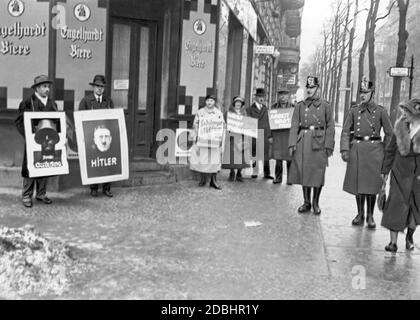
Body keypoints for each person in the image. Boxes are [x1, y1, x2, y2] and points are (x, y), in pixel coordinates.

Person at [340, 80, 393, 229]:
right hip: (357, 149)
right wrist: (344, 149)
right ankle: (360, 214)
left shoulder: (381, 111)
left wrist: (387, 153)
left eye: (366, 93)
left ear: (373, 94)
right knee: (359, 184)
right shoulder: (354, 111)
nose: (362, 95)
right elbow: (345, 131)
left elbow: (389, 134)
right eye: (361, 93)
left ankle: (370, 216)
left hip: (375, 151)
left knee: (371, 186)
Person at [288, 76, 335, 215]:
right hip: (303, 141)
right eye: (308, 88)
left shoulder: (325, 106)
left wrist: (329, 145)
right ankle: (306, 202)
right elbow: (294, 125)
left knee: (318, 172)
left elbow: (330, 127)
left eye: (312, 88)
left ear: (318, 89)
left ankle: (315, 202)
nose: (309, 90)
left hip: (319, 142)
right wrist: (292, 143)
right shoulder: (300, 106)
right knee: (305, 171)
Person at [381, 99, 420, 253]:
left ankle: (409, 237)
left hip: (417, 176)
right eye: (404, 111)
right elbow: (390, 150)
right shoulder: (400, 126)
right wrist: (384, 171)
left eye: (408, 112)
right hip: (399, 173)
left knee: (415, 209)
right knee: (395, 206)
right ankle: (393, 242)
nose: (405, 114)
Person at [15, 75, 58, 208]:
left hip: (48, 142)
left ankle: (41, 193)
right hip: (33, 141)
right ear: (37, 88)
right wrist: (29, 137)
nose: (47, 89)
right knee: (30, 167)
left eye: (48, 87)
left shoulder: (52, 104)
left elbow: (57, 122)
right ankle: (27, 195)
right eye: (44, 87)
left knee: (44, 165)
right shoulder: (28, 102)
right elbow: (19, 122)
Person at [79, 75, 115, 198]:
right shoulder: (86, 101)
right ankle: (93, 188)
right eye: (97, 86)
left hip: (105, 137)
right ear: (93, 87)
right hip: (92, 138)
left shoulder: (108, 101)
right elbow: (80, 119)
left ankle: (107, 188)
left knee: (106, 162)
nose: (99, 89)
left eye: (102, 87)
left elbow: (112, 119)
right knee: (94, 162)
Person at [190, 94, 226, 190]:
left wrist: (221, 137)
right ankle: (203, 179)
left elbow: (222, 125)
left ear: (215, 102)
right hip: (203, 140)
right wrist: (196, 136)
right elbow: (195, 124)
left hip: (214, 140)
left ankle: (213, 180)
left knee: (214, 160)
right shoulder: (200, 112)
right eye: (208, 100)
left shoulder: (218, 113)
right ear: (205, 101)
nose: (209, 102)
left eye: (212, 101)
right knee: (202, 159)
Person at [222, 96, 250, 182]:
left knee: (241, 155)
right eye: (237, 102)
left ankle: (239, 173)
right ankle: (232, 172)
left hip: (242, 136)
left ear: (242, 104)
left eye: (240, 103)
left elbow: (247, 123)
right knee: (232, 155)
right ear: (234, 103)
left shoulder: (244, 113)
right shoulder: (228, 113)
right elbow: (224, 122)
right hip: (232, 136)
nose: (238, 104)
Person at [247, 88, 273, 179]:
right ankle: (255, 171)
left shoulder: (266, 109)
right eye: (259, 97)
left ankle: (267, 173)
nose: (262, 98)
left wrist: (270, 135)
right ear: (256, 98)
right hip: (254, 133)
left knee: (265, 154)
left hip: (264, 134)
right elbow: (248, 122)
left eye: (263, 97)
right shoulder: (250, 109)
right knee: (254, 153)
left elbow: (268, 122)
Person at [271, 88, 294, 185]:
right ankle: (278, 177)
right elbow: (270, 122)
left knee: (290, 158)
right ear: (278, 96)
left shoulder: (293, 107)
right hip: (278, 136)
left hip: (288, 135)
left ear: (288, 96)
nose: (283, 97)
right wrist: (270, 136)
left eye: (285, 95)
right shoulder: (274, 107)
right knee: (278, 158)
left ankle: (290, 178)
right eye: (281, 95)